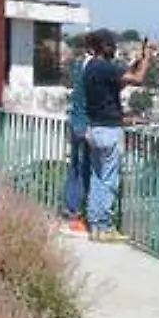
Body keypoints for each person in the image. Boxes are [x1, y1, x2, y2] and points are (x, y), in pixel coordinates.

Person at [82, 33, 152, 242]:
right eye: (111, 45)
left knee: (97, 177)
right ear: (106, 48)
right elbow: (137, 79)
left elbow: (119, 82)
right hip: (109, 129)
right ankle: (105, 226)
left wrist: (136, 62)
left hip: (93, 128)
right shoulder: (106, 68)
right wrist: (147, 59)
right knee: (109, 179)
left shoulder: (90, 68)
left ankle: (95, 225)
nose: (114, 48)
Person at [61, 35, 98, 232]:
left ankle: (70, 209)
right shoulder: (92, 67)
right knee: (86, 169)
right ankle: (79, 213)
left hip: (75, 122)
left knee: (75, 166)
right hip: (85, 124)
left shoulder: (78, 65)